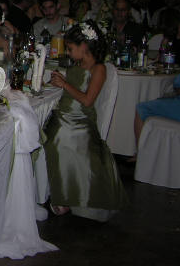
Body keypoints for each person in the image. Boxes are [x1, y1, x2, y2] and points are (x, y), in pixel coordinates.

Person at [44, 21, 128, 220]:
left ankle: (64, 196)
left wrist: (65, 84)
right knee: (43, 130)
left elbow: (88, 100)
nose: (68, 53)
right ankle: (53, 191)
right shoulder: (78, 64)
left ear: (84, 46)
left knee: (56, 137)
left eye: (70, 48)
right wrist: (60, 81)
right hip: (64, 114)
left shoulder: (99, 69)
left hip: (80, 119)